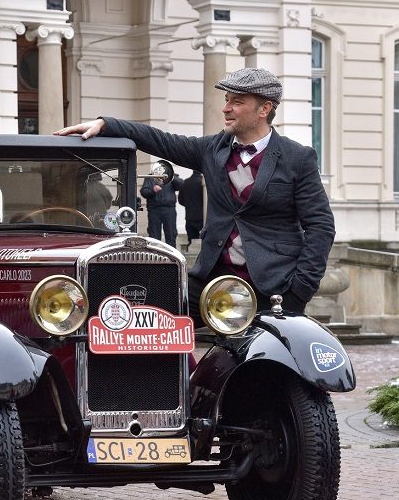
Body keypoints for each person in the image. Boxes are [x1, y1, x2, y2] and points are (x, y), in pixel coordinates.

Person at [55, 68, 335, 323]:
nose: (226, 109)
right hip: (211, 281)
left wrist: (299, 290)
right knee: (152, 321)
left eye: (237, 102)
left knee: (265, 363)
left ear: (264, 108)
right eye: (227, 100)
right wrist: (107, 124)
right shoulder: (212, 149)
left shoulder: (297, 158)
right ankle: (184, 380)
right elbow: (161, 140)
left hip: (274, 287)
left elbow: (320, 226)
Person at [140, 171, 183, 247]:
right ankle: (154, 255)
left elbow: (180, 184)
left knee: (171, 234)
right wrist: (153, 190)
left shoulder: (172, 176)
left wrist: (171, 177)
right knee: (154, 235)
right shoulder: (150, 178)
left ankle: (171, 256)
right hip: (154, 210)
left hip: (169, 210)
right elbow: (144, 191)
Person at [178, 170, 204, 246]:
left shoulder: (185, 182)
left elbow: (180, 200)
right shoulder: (202, 183)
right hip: (202, 216)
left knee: (191, 241)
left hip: (189, 216)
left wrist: (189, 205)